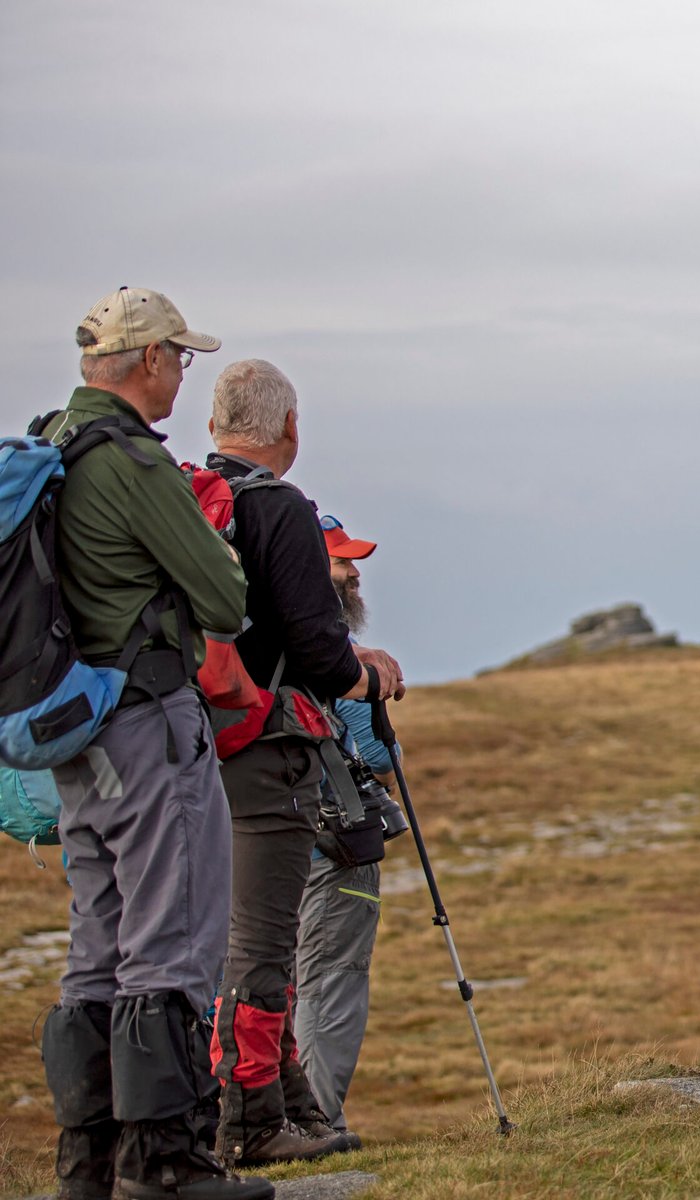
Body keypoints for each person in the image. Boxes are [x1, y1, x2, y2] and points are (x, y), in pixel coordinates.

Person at [38, 288, 273, 1199]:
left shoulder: (53, 444)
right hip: (146, 716)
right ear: (145, 361)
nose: (182, 372)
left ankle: (87, 1162)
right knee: (171, 936)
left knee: (94, 946)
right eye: (178, 356)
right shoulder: (131, 460)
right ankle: (168, 1163)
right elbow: (223, 598)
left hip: (77, 728)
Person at [202, 360, 405, 1167]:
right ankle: (252, 1118)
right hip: (264, 745)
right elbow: (316, 645)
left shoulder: (192, 499)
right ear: (289, 428)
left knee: (247, 935)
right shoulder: (277, 507)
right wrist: (361, 675)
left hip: (194, 739)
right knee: (263, 939)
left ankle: (287, 1101)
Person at [292, 514, 395, 1140]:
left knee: (262, 976)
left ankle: (255, 1115)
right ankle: (314, 1119)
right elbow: (379, 759)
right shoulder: (328, 656)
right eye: (342, 563)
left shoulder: (255, 637)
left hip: (257, 838)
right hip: (329, 848)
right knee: (330, 980)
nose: (354, 575)